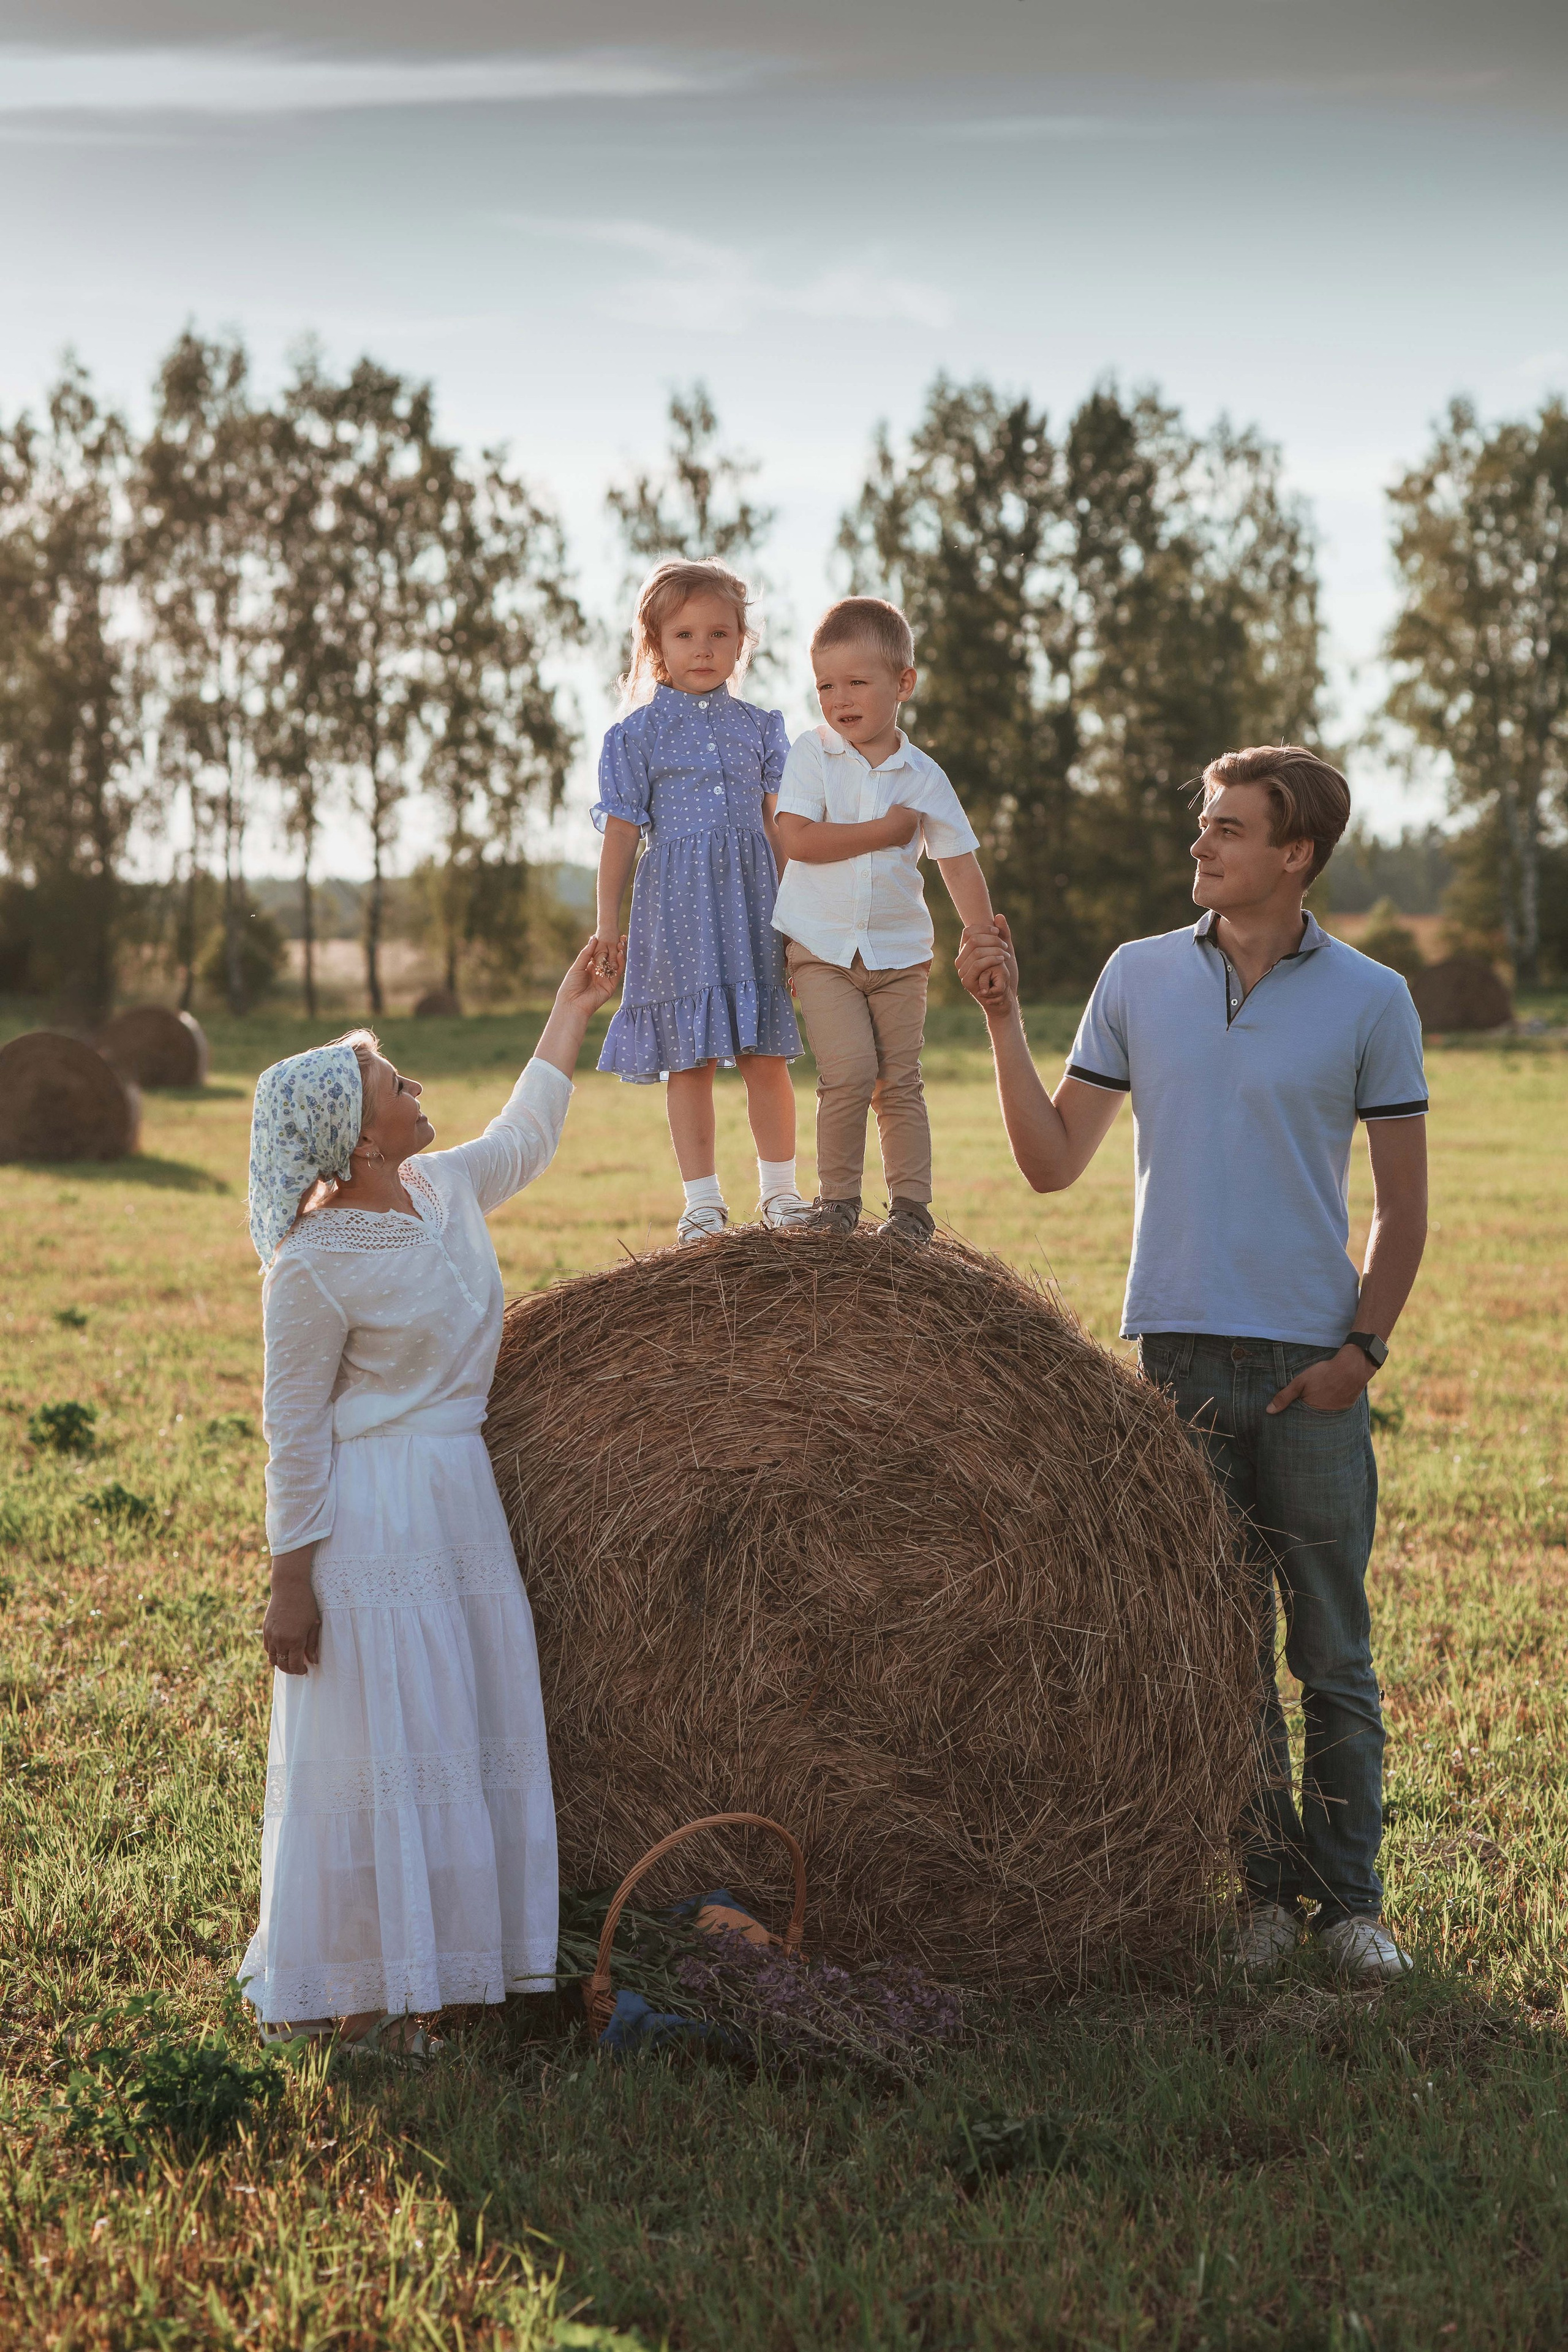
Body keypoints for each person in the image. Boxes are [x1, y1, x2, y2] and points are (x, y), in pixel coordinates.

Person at [956, 746, 1429, 1984]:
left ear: (1294, 854)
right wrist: (1001, 1019)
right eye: (1200, 826)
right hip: (1171, 1358)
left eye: (1228, 830)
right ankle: (1262, 1898)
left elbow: (1401, 1205)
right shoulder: (1136, 977)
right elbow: (1053, 1159)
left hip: (1307, 1366)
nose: (1200, 847)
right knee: (1218, 1651)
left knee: (1329, 1649)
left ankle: (1354, 1908)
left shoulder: (1371, 998)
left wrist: (1358, 1353)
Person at [241, 941, 622, 2049]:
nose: (416, 1091)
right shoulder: (311, 1266)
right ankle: (373, 1994)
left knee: (457, 1725)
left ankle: (452, 1978)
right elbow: (295, 1432)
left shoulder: (443, 1185)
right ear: (357, 1136)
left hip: (460, 1500)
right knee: (385, 1750)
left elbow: (528, 1135)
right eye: (394, 1084)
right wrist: (289, 1584)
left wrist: (571, 1004)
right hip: (372, 1519)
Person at [590, 557, 810, 1245]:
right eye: (685, 635)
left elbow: (779, 828)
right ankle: (703, 1204)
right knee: (685, 1061)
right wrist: (606, 926)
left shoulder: (761, 726)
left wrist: (796, 921)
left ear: (741, 641)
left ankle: (781, 1193)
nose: (704, 648)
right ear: (656, 646)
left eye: (720, 634)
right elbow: (621, 837)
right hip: (675, 914)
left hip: (753, 907)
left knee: (764, 1057)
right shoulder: (635, 737)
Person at [771, 597, 998, 1243]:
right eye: (825, 685)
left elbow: (957, 865)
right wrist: (885, 832)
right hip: (820, 952)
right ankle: (837, 1203)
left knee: (899, 1082)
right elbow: (801, 841)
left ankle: (910, 1213)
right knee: (848, 1073)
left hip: (900, 958)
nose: (838, 699)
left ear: (903, 685)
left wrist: (982, 941)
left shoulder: (925, 778)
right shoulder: (812, 755)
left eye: (856, 683)